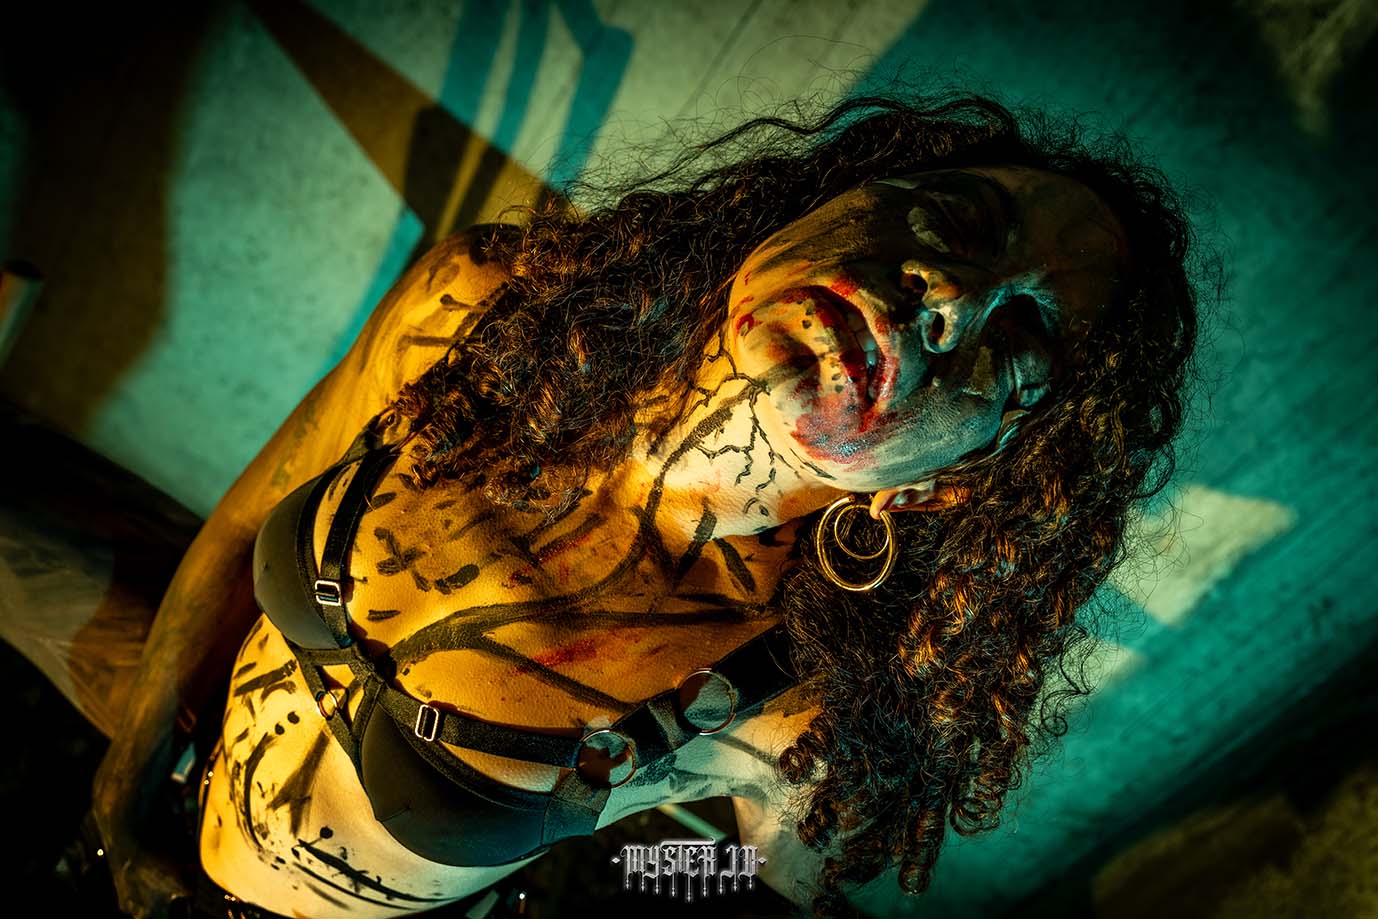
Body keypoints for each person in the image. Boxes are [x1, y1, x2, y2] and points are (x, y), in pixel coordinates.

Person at [6, 91, 1201, 918]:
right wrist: (124, 784)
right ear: (841, 190)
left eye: (1019, 345)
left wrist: (581, 856)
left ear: (960, 476)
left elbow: (751, 877)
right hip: (155, 732)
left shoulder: (798, 702)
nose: (947, 294)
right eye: (958, 221)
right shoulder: (482, 309)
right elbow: (241, 523)